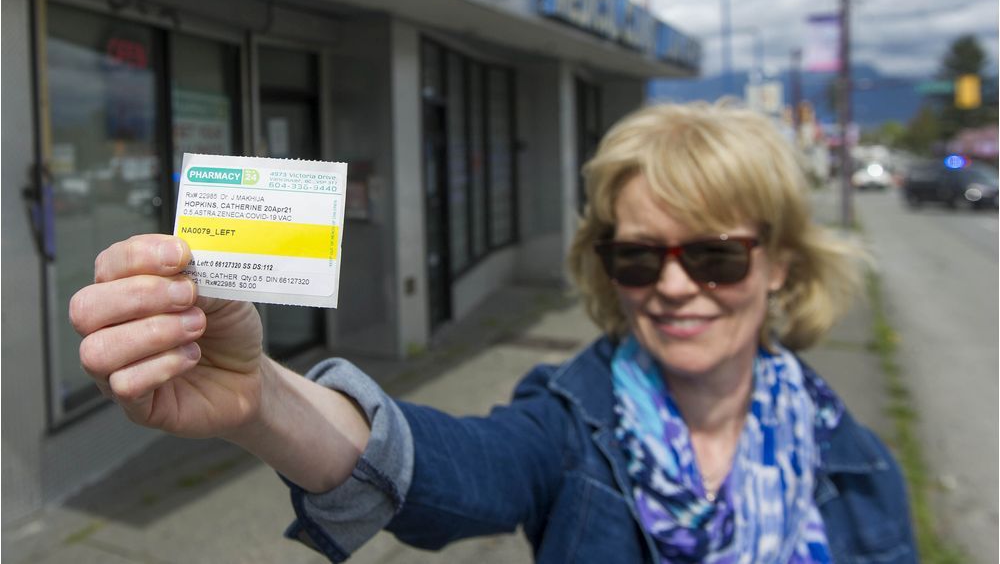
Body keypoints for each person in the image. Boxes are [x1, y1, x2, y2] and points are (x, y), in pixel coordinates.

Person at [71, 101, 916, 563]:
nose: (672, 286)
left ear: (778, 266)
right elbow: (448, 471)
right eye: (636, 257)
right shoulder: (567, 423)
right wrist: (259, 399)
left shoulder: (861, 467)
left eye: (715, 258)